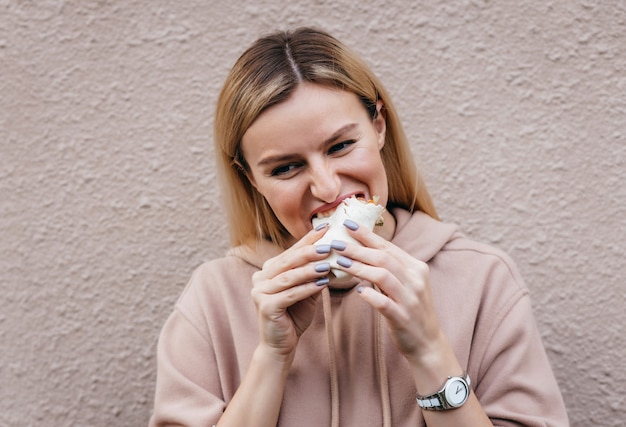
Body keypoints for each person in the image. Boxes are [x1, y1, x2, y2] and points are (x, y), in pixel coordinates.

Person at [149, 27, 569, 427]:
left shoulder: (484, 281)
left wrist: (428, 350)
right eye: (286, 167)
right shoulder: (212, 299)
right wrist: (271, 359)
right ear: (251, 181)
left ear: (379, 127)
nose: (327, 186)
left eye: (341, 145)